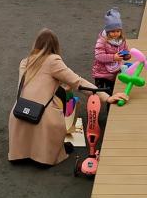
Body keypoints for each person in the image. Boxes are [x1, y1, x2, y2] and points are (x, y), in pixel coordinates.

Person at [8, 29, 128, 166]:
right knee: (57, 110)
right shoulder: (53, 61)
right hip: (43, 118)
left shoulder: (24, 62)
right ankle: (46, 154)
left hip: (18, 115)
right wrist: (106, 97)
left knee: (52, 95)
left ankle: (22, 152)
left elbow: (38, 84)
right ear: (55, 46)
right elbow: (79, 82)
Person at [91, 9, 130, 94]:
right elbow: (98, 56)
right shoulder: (102, 41)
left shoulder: (121, 40)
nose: (115, 33)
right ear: (107, 31)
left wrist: (127, 55)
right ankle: (96, 104)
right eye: (112, 31)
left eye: (118, 31)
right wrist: (113, 57)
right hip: (101, 72)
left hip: (113, 72)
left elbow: (125, 50)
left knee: (111, 92)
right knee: (99, 93)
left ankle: (109, 104)